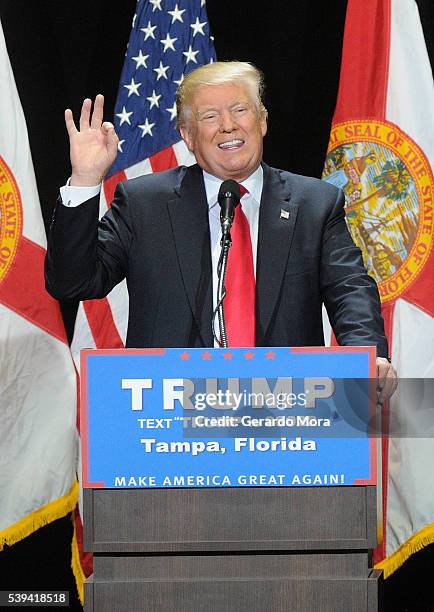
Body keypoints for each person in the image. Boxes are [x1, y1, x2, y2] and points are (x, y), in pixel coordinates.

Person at [45, 61, 397, 400]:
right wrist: (86, 180)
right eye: (210, 116)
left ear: (262, 122)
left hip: (288, 414)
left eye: (240, 110)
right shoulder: (143, 204)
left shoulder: (315, 204)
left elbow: (349, 289)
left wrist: (367, 356)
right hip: (170, 421)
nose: (228, 125)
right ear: (188, 135)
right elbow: (72, 282)